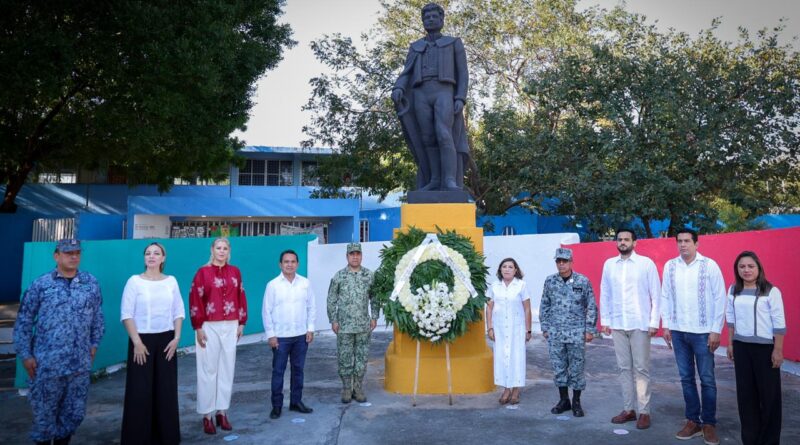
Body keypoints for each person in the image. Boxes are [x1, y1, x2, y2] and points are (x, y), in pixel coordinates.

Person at [13, 239, 105, 445]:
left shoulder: (90, 283)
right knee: (44, 418)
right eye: (68, 253)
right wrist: (25, 355)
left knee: (73, 415)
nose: (74, 257)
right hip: (47, 365)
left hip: (79, 365)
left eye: (77, 253)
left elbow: (97, 317)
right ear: (57, 256)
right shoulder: (41, 285)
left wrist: (94, 344)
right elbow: (24, 321)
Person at [391, 2, 470, 192]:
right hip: (421, 93)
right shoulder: (415, 47)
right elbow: (406, 72)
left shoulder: (453, 43)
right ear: (422, 21)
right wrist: (399, 87)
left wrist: (460, 97)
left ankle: (450, 180)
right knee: (427, 137)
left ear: (442, 20)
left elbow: (463, 73)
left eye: (434, 16)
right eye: (427, 17)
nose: (431, 19)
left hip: (444, 91)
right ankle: (434, 179)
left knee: (444, 133)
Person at [661, 228, 726, 445]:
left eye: (687, 241)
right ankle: (693, 421)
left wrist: (716, 329)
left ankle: (709, 423)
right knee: (686, 378)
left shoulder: (709, 265)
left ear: (696, 244)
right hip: (679, 332)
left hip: (703, 332)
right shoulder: (670, 266)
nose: (683, 245)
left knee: (707, 379)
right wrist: (667, 326)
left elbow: (720, 298)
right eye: (679, 241)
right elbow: (666, 297)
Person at [120, 242, 185, 445]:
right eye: (148, 253)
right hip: (141, 341)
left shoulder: (171, 281)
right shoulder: (134, 282)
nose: (151, 256)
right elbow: (126, 314)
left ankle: (166, 437)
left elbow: (178, 312)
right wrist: (137, 342)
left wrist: (176, 338)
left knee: (165, 390)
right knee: (140, 391)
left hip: (166, 341)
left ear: (163, 258)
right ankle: (138, 438)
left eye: (156, 253)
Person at [599, 228, 661, 429]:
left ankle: (644, 412)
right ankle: (629, 409)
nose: (623, 242)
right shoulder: (609, 265)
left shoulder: (645, 264)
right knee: (623, 368)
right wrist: (606, 320)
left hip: (640, 323)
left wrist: (653, 322)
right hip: (618, 324)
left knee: (641, 369)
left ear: (635, 242)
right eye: (620, 239)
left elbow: (656, 295)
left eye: (627, 239)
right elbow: (605, 293)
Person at [189, 238, 248, 435]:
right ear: (212, 250)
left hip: (231, 324)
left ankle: (222, 411)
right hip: (208, 325)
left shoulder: (235, 272)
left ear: (229, 251)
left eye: (225, 248)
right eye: (218, 248)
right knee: (208, 369)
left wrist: (241, 322)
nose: (221, 251)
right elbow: (195, 299)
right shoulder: (202, 273)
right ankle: (207, 415)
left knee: (227, 368)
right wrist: (198, 326)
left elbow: (241, 296)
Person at [726, 251, 785, 445]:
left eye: (750, 266)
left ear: (758, 268)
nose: (746, 270)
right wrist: (731, 343)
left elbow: (778, 322)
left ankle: (769, 441)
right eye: (742, 267)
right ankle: (750, 439)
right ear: (737, 270)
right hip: (742, 349)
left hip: (765, 350)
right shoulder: (733, 290)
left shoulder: (770, 291)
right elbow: (731, 319)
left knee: (769, 397)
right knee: (746, 396)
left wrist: (778, 350)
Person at [540, 247, 598, 417]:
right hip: (556, 332)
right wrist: (545, 327)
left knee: (577, 368)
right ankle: (564, 400)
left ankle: (577, 402)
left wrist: (590, 329)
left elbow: (592, 306)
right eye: (558, 261)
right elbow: (545, 305)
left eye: (564, 261)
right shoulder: (550, 281)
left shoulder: (582, 281)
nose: (561, 264)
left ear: (571, 262)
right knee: (559, 367)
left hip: (576, 332)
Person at [263, 249, 316, 419]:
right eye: (286, 262)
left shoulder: (305, 283)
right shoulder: (272, 285)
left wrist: (310, 328)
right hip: (280, 337)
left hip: (301, 335)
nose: (289, 265)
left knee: (298, 370)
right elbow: (266, 311)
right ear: (280, 264)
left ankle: (296, 402)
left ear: (297, 264)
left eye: (293, 262)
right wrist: (271, 335)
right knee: (278, 371)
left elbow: (311, 307)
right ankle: (277, 406)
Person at [327, 242, 380, 404]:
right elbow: (331, 299)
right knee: (344, 357)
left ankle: (358, 388)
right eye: (352, 254)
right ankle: (346, 388)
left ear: (361, 256)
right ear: (347, 256)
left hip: (363, 325)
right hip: (344, 326)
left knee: (362, 358)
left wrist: (374, 317)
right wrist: (333, 320)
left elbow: (375, 297)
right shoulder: (339, 276)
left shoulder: (369, 276)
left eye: (358, 254)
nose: (355, 256)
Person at [486, 258, 532, 405]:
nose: (507, 269)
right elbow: (489, 308)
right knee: (501, 357)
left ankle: (516, 389)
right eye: (504, 267)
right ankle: (506, 388)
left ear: (515, 270)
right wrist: (490, 327)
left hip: (516, 327)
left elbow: (527, 308)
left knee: (516, 357)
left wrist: (528, 329)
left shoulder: (521, 285)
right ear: (500, 270)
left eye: (510, 267)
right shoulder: (494, 286)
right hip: (499, 327)